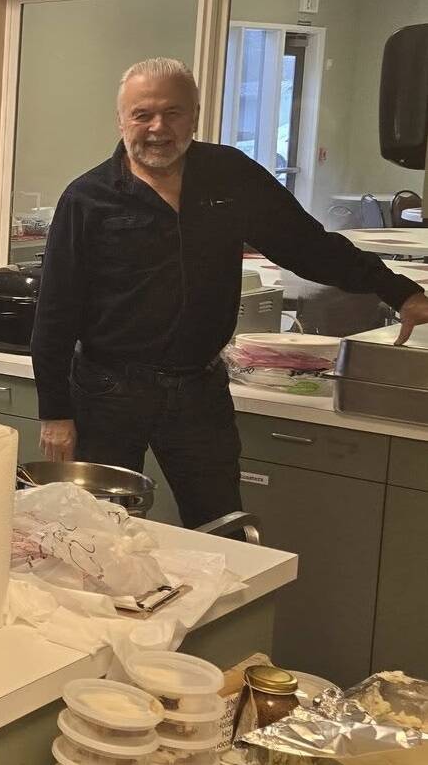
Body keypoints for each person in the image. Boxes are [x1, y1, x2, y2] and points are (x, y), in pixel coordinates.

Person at [32, 57, 428, 528]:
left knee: (222, 525)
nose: (158, 128)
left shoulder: (230, 175)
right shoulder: (88, 198)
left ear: (195, 115)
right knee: (97, 532)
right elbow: (56, 311)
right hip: (109, 390)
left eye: (173, 112)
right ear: (121, 121)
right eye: (142, 115)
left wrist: (399, 291)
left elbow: (309, 247)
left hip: (198, 389)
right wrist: (55, 413)